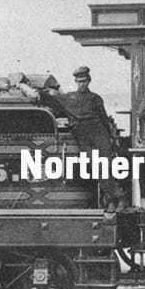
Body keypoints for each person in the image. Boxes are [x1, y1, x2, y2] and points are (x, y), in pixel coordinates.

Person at [47, 66, 127, 213]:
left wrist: (111, 138)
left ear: (88, 81)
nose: (81, 84)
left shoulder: (95, 99)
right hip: (83, 137)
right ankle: (117, 197)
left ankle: (114, 200)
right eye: (79, 81)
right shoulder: (69, 98)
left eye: (84, 81)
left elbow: (103, 119)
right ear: (76, 82)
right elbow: (51, 99)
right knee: (98, 168)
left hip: (99, 134)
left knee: (105, 167)